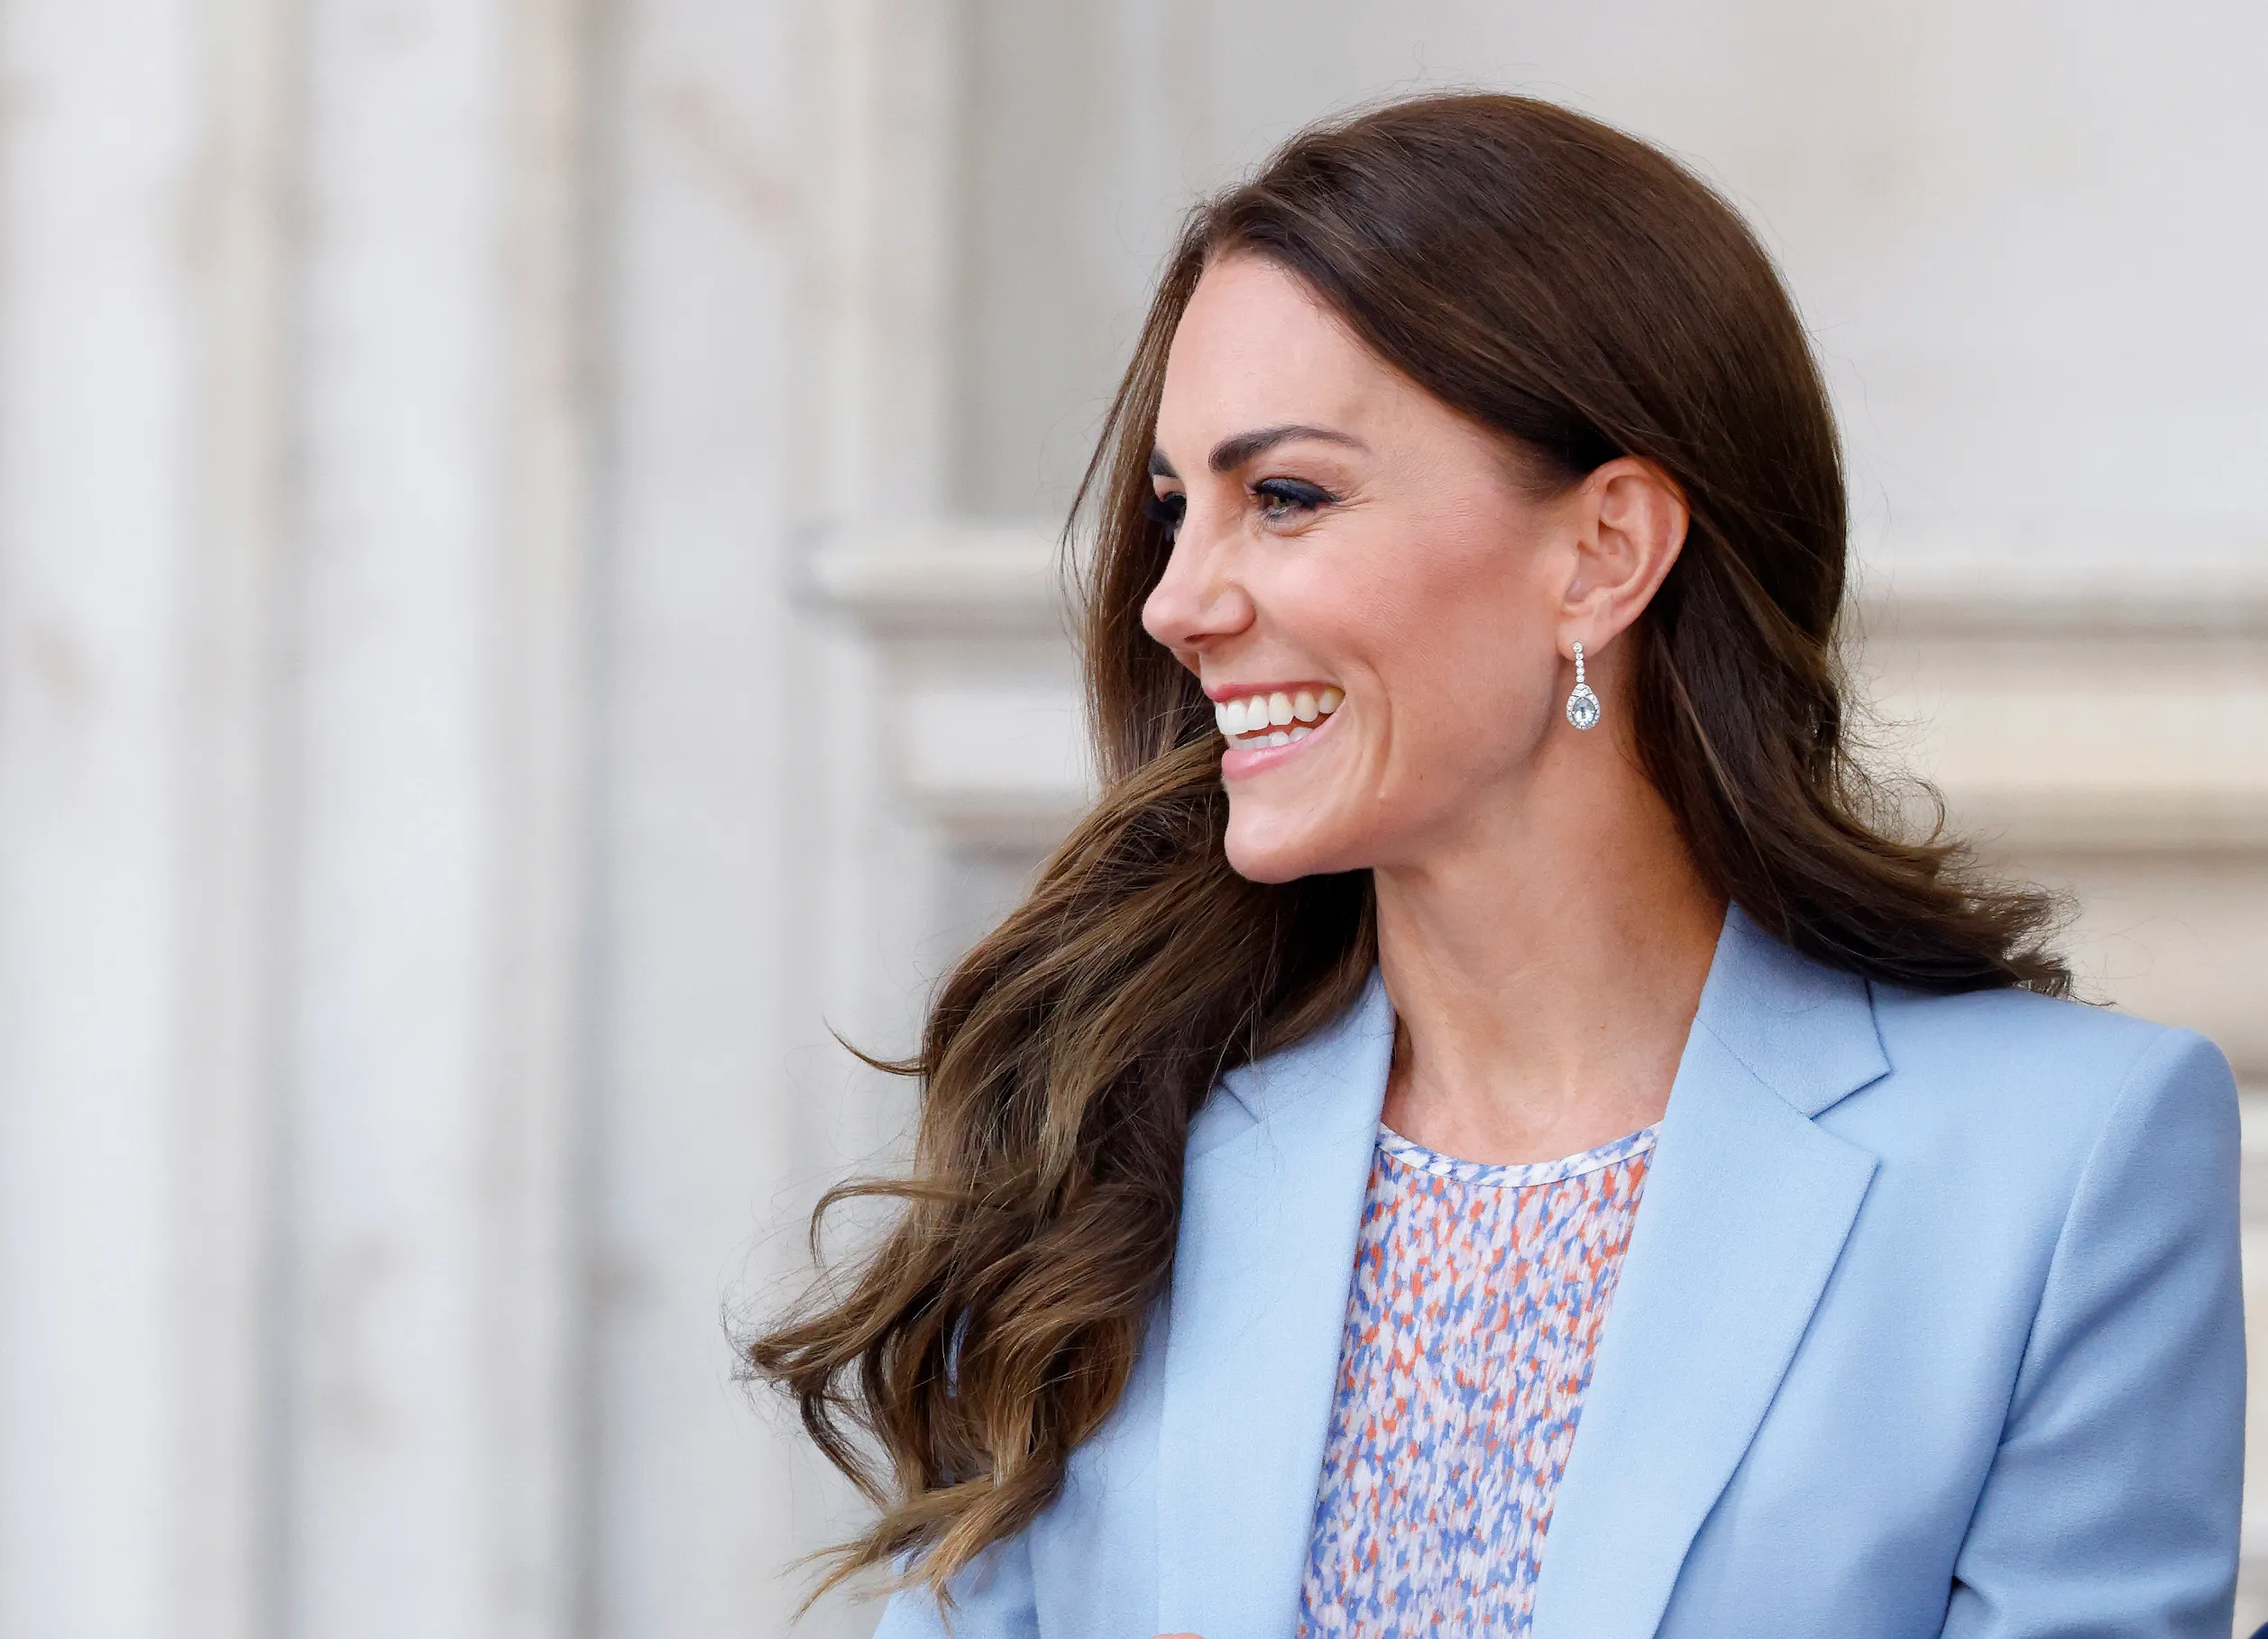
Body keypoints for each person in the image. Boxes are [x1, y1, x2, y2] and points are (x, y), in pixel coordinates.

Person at [750, 94, 2245, 1639]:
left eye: (1285, 497)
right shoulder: (1105, 1129)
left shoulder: (2064, 1162)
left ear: (1604, 551)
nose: (1175, 602)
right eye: (1177, 510)